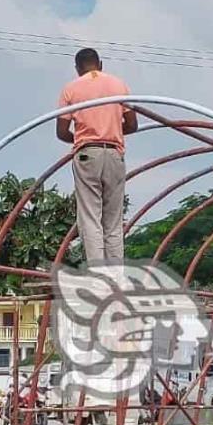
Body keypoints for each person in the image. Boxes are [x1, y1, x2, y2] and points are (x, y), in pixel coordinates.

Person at [56, 48, 137, 264]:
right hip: (114, 154)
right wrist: (112, 130)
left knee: (90, 218)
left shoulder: (71, 89)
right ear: (100, 64)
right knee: (113, 220)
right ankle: (116, 275)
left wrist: (83, 137)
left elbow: (61, 132)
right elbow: (132, 124)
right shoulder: (119, 85)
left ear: (77, 69)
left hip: (87, 154)